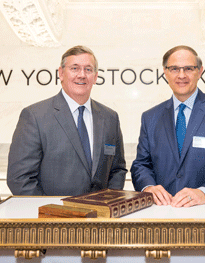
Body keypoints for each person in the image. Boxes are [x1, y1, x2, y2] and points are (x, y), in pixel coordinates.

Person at [131, 45, 205, 207]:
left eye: (188, 68)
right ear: (165, 72)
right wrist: (148, 187)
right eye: (174, 69)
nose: (181, 75)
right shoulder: (150, 117)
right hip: (161, 214)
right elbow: (141, 165)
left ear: (199, 72)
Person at [7, 45, 127, 196]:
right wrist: (51, 212)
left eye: (88, 69)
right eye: (74, 68)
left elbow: (117, 170)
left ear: (95, 77)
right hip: (54, 216)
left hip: (100, 215)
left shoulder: (110, 118)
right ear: (61, 73)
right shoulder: (34, 116)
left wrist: (108, 201)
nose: (82, 75)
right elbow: (19, 178)